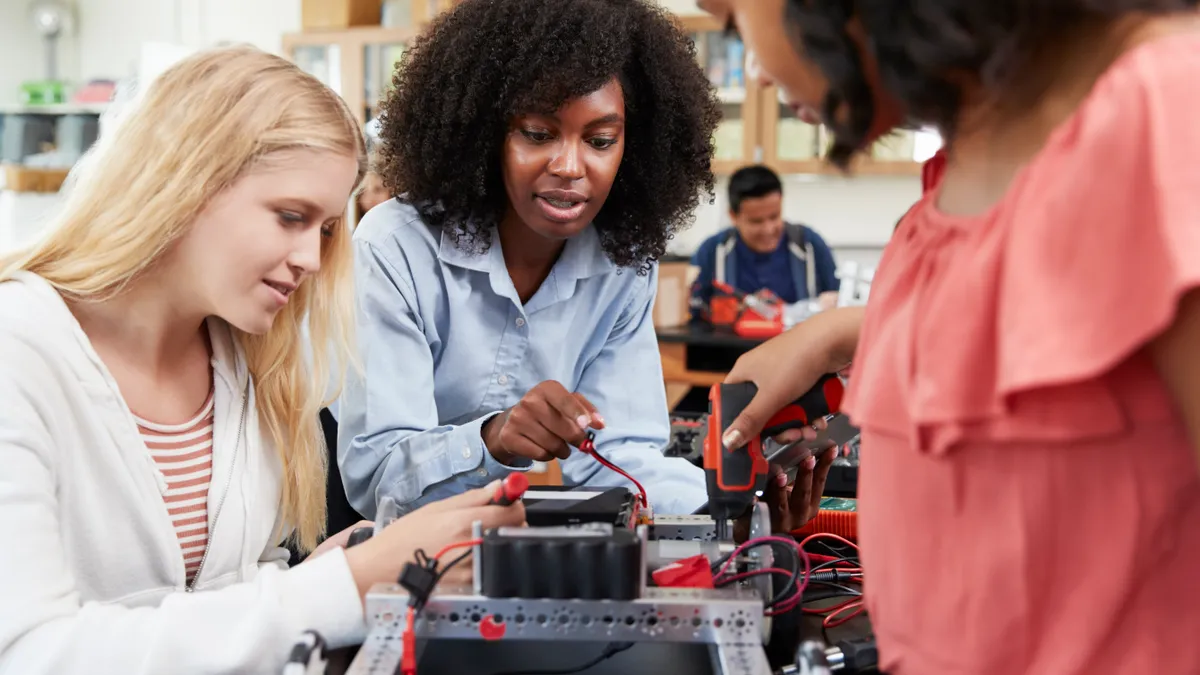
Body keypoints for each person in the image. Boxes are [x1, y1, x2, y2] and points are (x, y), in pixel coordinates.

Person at [701, 1, 1200, 674]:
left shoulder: (1170, 115)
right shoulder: (942, 190)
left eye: (734, 20)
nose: (757, 74)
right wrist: (835, 338)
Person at [0, 46, 524, 674]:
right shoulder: (19, 351)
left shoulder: (248, 362)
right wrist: (341, 587)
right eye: (290, 217)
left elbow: (227, 598)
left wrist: (337, 569)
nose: (311, 258)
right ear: (185, 181)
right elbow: (29, 653)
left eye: (328, 228)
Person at [336, 0, 831, 529]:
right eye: (537, 133)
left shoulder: (623, 263)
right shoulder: (396, 247)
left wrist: (738, 508)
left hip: (503, 546)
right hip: (385, 549)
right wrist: (492, 439)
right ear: (485, 134)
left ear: (632, 147)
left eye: (599, 141)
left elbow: (623, 461)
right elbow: (377, 476)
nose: (570, 167)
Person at [688, 164, 839, 321]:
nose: (768, 229)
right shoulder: (712, 252)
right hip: (733, 345)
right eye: (756, 222)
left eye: (774, 216)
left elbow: (837, 300)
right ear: (733, 216)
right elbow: (694, 314)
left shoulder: (809, 245)